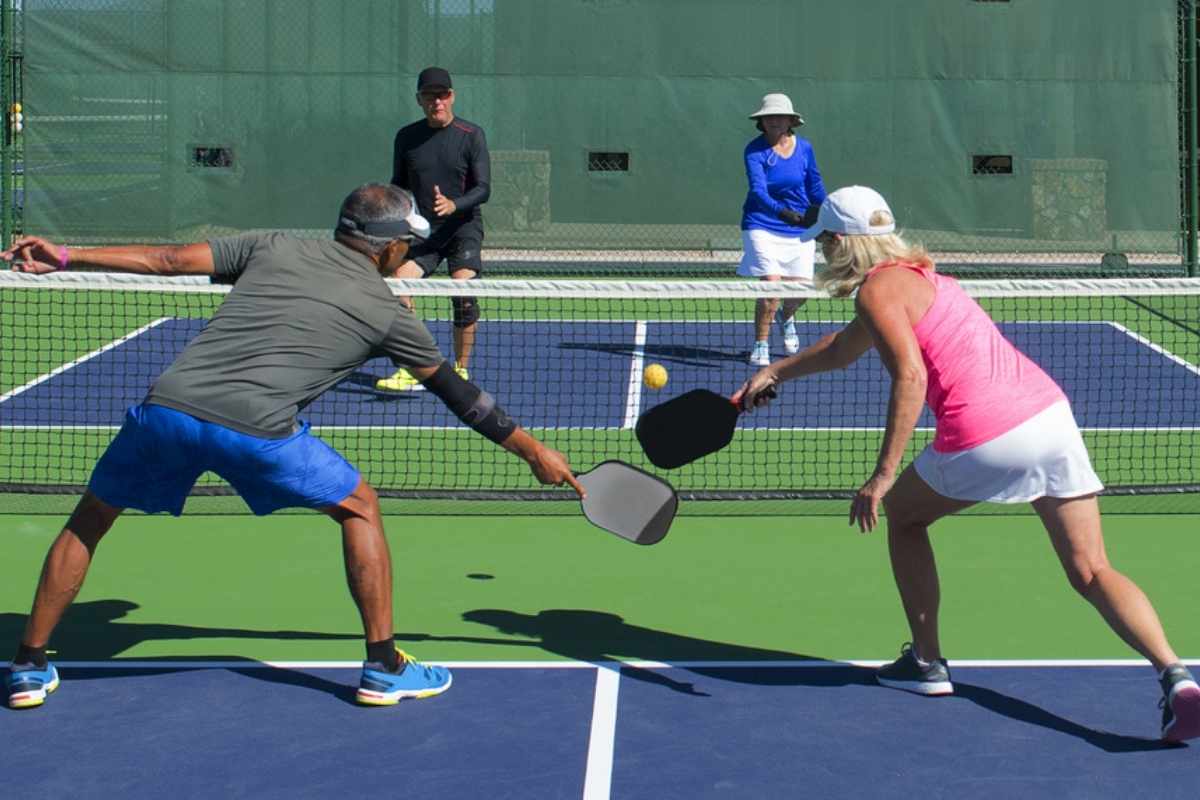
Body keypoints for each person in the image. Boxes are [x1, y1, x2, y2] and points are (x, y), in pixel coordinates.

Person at [1, 183, 584, 710]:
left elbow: (167, 260)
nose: (408, 253)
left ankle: (27, 666)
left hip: (168, 409)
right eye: (406, 243)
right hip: (256, 429)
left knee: (92, 517)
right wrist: (534, 452)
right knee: (359, 505)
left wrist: (67, 256)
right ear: (384, 248)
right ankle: (382, 666)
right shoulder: (389, 313)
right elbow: (462, 396)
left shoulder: (273, 245)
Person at [733, 185, 1200, 742]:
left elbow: (911, 376)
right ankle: (1176, 678)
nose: (823, 252)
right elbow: (841, 349)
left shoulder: (877, 293)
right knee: (1092, 570)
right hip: (1049, 416)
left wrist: (882, 476)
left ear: (840, 242)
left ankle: (927, 663)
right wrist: (775, 372)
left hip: (987, 432)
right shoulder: (923, 280)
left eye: (826, 242)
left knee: (905, 516)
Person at [376, 66, 491, 392]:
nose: (436, 101)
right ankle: (413, 367)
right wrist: (399, 218)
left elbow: (484, 188)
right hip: (423, 234)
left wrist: (455, 205)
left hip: (463, 230)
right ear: (419, 100)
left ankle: (460, 369)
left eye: (442, 95)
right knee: (398, 287)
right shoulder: (407, 137)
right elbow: (398, 186)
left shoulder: (472, 136)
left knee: (463, 293)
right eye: (429, 96)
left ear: (451, 97)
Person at [738, 93, 826, 367]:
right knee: (772, 286)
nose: (774, 121)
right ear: (761, 122)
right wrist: (784, 213)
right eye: (768, 117)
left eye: (779, 116)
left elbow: (814, 185)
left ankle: (786, 317)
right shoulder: (754, 151)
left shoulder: (805, 148)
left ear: (790, 121)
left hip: (799, 227)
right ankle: (761, 344)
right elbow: (758, 191)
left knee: (800, 290)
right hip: (762, 223)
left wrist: (827, 214)